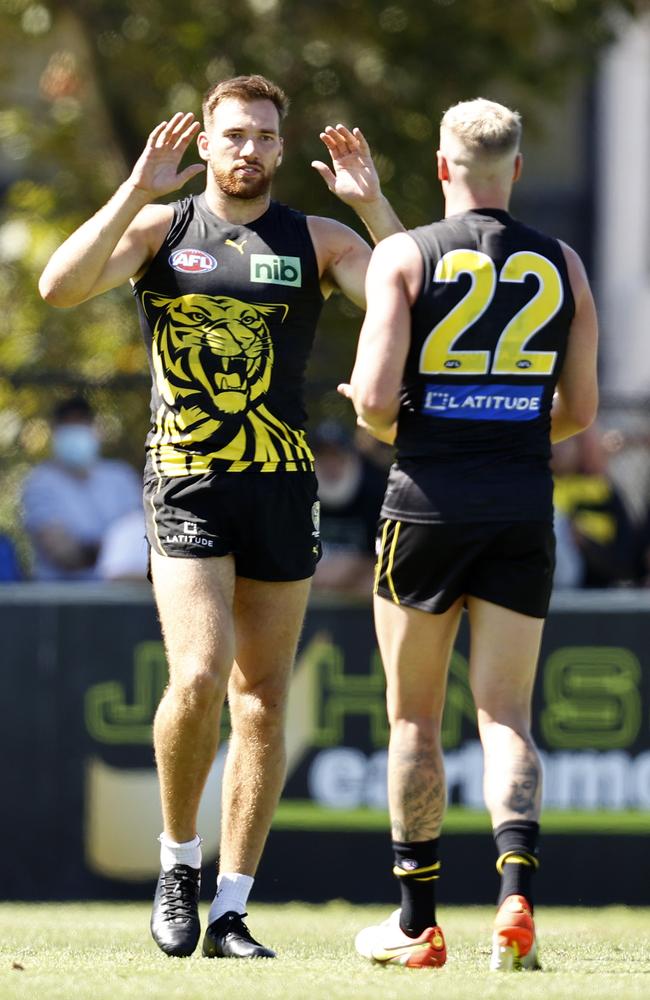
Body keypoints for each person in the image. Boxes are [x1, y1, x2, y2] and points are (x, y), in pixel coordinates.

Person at [39, 74, 402, 959]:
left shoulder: (317, 238)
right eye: (234, 134)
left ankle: (233, 906)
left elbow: (417, 298)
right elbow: (57, 286)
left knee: (265, 703)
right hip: (188, 480)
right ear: (204, 143)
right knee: (198, 676)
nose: (250, 149)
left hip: (281, 487)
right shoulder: (165, 228)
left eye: (266, 136)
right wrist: (136, 186)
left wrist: (377, 205)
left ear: (283, 148)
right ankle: (177, 863)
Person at [339, 98, 598, 971]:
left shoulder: (405, 256)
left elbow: (375, 404)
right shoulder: (563, 261)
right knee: (508, 715)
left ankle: (417, 923)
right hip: (522, 506)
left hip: (425, 509)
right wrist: (506, 431)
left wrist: (403, 423)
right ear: (516, 169)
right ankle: (515, 896)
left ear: (444, 168)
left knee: (414, 716)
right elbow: (581, 413)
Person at [22, 396, 142, 580]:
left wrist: (94, 549)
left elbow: (141, 539)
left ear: (94, 428)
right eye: (68, 425)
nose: (75, 431)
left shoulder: (121, 476)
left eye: (81, 422)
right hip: (61, 600)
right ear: (55, 431)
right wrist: (118, 550)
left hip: (122, 594)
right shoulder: (40, 482)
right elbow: (65, 555)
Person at [310, 419, 386, 596]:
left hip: (360, 586)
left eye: (336, 455)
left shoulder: (375, 489)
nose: (330, 464)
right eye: (323, 456)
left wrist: (357, 565)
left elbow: (392, 556)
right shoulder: (296, 494)